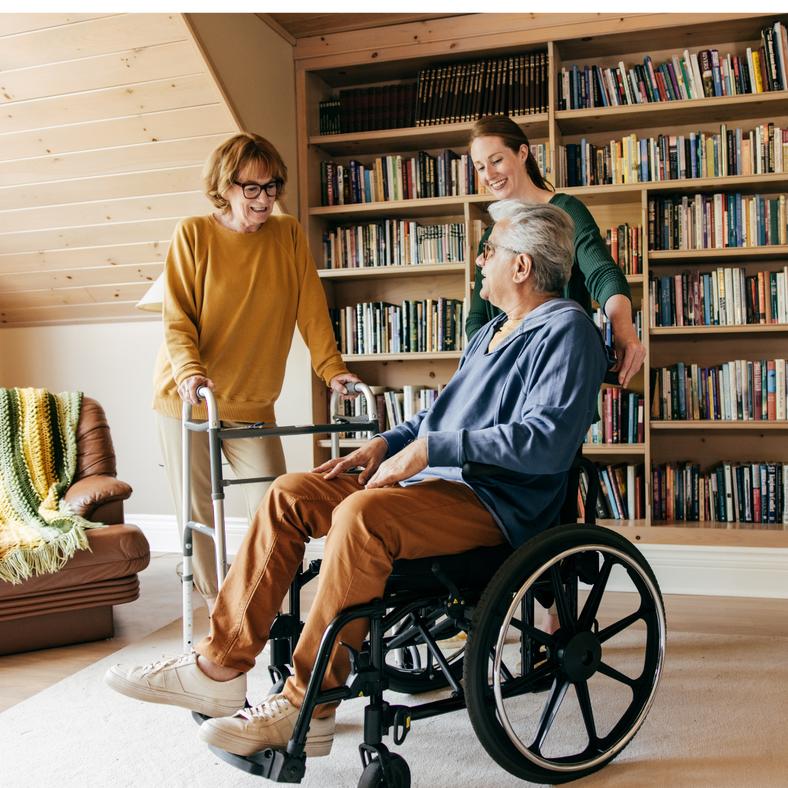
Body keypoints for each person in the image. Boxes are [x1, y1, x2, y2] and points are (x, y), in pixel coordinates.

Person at [106, 200, 608, 759]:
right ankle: (219, 666)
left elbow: (548, 441)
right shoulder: (490, 332)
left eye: (489, 250)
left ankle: (307, 704)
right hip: (430, 486)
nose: (480, 260)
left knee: (362, 517)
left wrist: (429, 450)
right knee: (289, 494)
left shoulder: (567, 332)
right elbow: (436, 418)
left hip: (491, 501)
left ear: (521, 267)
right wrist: (389, 443)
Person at [152, 132, 358, 610]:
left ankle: (268, 606)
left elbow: (311, 309)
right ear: (225, 186)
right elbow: (177, 317)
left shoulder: (287, 236)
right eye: (252, 188)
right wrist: (189, 373)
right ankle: (217, 615)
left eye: (272, 187)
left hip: (253, 403)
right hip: (190, 398)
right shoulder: (194, 234)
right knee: (200, 515)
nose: (265, 199)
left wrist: (333, 369)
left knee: (277, 506)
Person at [466, 115, 645, 388]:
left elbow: (602, 273)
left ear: (522, 152)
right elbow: (478, 318)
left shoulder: (566, 212)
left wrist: (624, 329)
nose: (488, 176)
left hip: (558, 375)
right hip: (503, 382)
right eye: (480, 167)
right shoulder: (492, 236)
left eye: (496, 160)